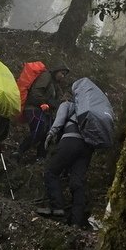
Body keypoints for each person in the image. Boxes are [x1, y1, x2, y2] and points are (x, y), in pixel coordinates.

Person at [36, 77, 114, 228]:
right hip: (87, 147)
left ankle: (57, 208)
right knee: (77, 182)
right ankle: (76, 222)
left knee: (51, 172)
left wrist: (50, 134)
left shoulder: (68, 105)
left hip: (70, 141)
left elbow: (59, 121)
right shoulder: (86, 110)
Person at [17, 64, 69, 159]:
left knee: (46, 135)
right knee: (39, 132)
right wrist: (47, 103)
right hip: (34, 108)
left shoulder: (55, 85)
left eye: (65, 75)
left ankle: (40, 160)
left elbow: (57, 100)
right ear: (56, 70)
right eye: (62, 73)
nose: (63, 76)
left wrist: (61, 101)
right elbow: (35, 93)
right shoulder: (46, 76)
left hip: (44, 112)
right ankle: (19, 152)